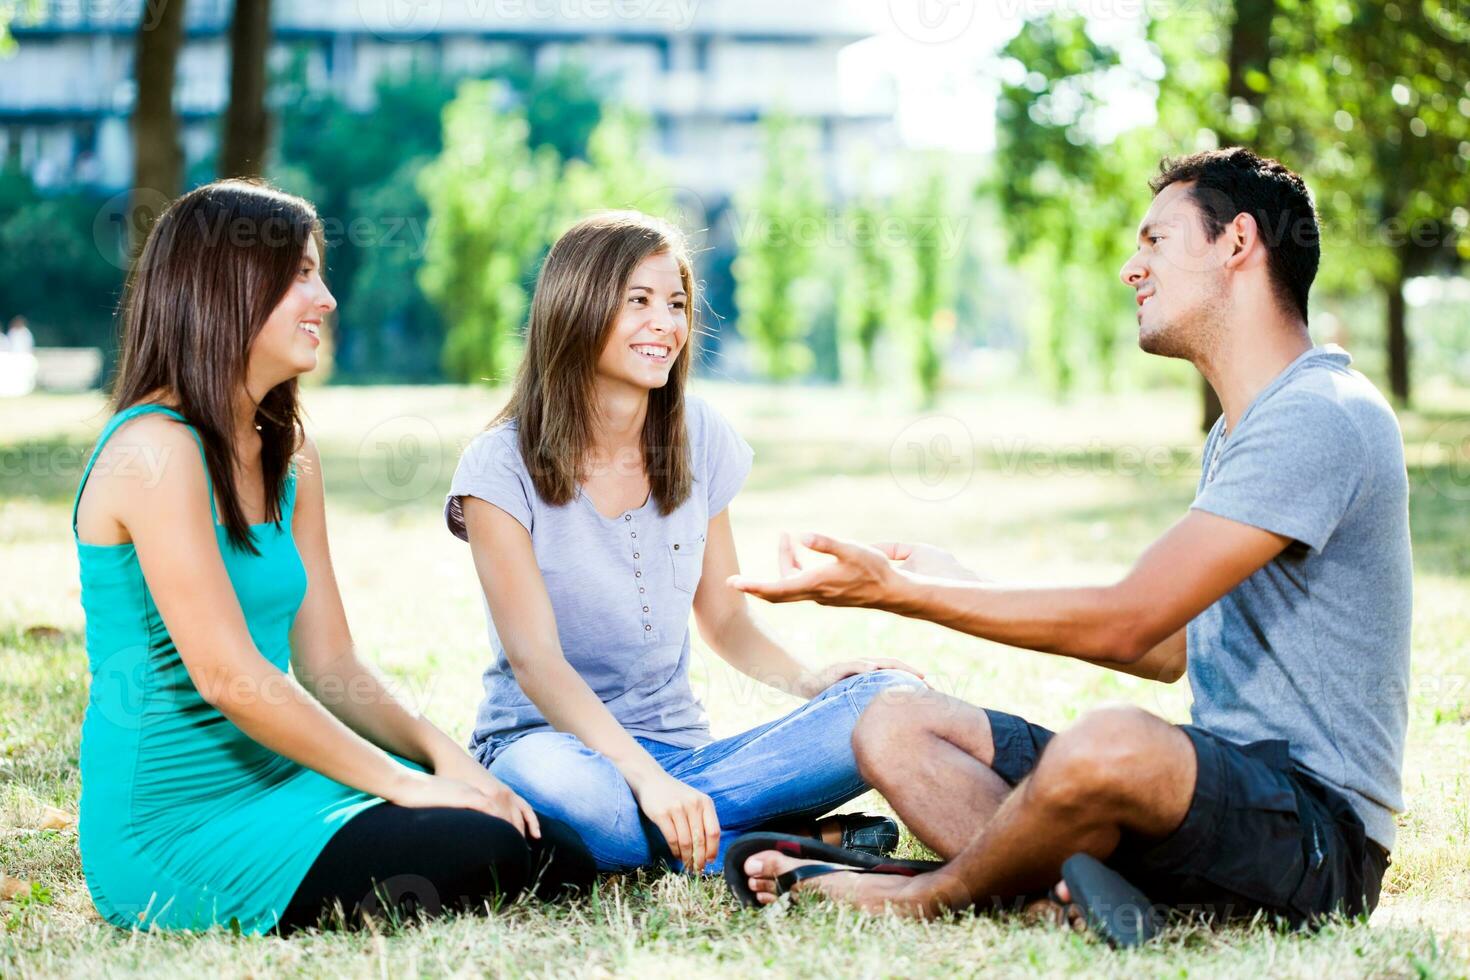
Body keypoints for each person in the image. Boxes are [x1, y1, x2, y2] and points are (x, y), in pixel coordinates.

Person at [729, 149, 1409, 938]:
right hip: (1203, 805)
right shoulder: (1238, 430)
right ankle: (1067, 900)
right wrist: (966, 584)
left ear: (1238, 242)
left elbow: (1128, 619)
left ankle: (919, 894)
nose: (1132, 267)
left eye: (1155, 241)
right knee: (892, 725)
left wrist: (897, 590)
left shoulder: (1319, 413)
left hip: (1316, 839)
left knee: (1112, 741)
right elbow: (1166, 647)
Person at [72, 180, 593, 935]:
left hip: (286, 781)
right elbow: (229, 676)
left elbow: (328, 662)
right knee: (482, 846)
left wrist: (448, 762)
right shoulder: (152, 449)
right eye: (300, 276)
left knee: (556, 847)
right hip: (171, 829)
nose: (326, 299)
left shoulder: (289, 451)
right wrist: (400, 786)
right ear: (225, 289)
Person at [445, 211, 926, 875]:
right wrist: (647, 781)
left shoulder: (700, 436)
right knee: (596, 810)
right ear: (576, 308)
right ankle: (782, 838)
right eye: (637, 302)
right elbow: (536, 662)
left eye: (675, 304)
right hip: (546, 746)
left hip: (687, 755)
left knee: (891, 700)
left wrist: (811, 681)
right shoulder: (497, 466)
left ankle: (702, 828)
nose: (665, 325)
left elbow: (724, 616)